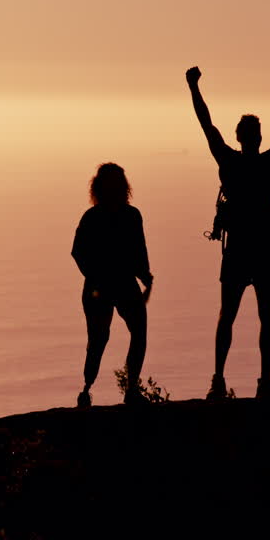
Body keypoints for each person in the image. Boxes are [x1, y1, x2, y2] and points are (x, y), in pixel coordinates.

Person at [186, 66, 270, 399]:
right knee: (267, 317)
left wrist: (193, 87)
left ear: (238, 137)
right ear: (259, 137)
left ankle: (218, 381)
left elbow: (207, 124)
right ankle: (264, 382)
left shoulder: (228, 162)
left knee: (227, 316)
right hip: (265, 248)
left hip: (238, 250)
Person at [71, 162, 154, 408]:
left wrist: (143, 274)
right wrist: (142, 274)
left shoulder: (117, 216)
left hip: (114, 284)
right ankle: (92, 389)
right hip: (110, 285)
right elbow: (78, 252)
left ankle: (105, 390)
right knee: (103, 338)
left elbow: (139, 249)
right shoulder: (102, 217)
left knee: (120, 335)